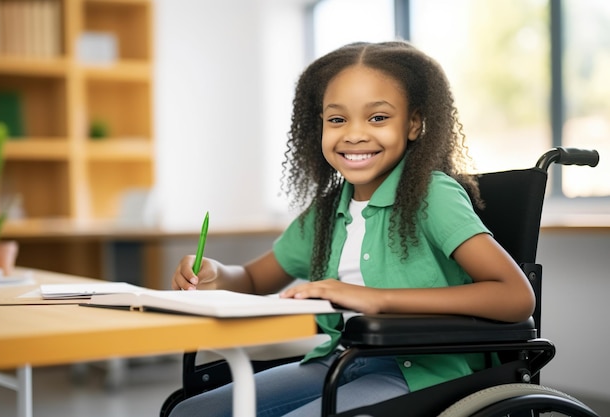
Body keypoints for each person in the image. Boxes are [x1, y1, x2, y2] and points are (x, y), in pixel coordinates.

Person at [169, 40, 535, 417]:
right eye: (337, 119)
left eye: (377, 118)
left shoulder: (432, 195)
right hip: (341, 360)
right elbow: (250, 278)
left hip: (425, 373)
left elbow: (516, 297)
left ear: (413, 123)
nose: (354, 134)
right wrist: (213, 274)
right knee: (190, 412)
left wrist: (379, 299)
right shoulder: (328, 210)